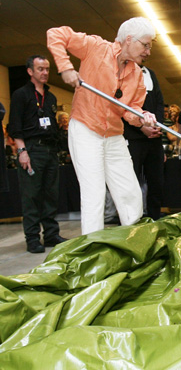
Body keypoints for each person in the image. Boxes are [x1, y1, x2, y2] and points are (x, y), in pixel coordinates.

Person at [47, 18, 157, 235]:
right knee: (94, 193)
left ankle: (134, 241)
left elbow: (130, 109)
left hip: (114, 135)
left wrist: (142, 116)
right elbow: (56, 34)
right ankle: (93, 249)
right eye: (145, 45)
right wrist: (66, 68)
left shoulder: (137, 74)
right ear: (128, 40)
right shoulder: (95, 47)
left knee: (130, 192)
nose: (148, 51)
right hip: (86, 129)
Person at [7, 56, 66, 252]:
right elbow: (15, 126)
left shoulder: (50, 98)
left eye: (47, 69)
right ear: (30, 71)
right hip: (31, 150)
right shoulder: (21, 95)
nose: (45, 73)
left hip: (50, 150)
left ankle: (50, 234)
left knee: (50, 194)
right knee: (31, 196)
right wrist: (22, 151)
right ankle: (32, 238)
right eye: (40, 69)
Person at [123, 65, 165, 220]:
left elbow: (160, 102)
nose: (146, 51)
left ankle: (154, 217)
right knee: (132, 181)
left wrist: (156, 125)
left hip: (154, 137)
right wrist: (141, 127)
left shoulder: (151, 73)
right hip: (134, 137)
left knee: (156, 181)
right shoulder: (123, 71)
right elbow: (122, 106)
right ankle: (133, 219)